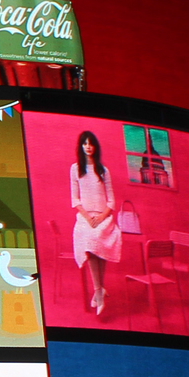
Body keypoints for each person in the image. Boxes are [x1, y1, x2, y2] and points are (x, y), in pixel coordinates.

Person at [69, 129, 121, 316]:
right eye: (85, 143)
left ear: (95, 147)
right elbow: (75, 199)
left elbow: (112, 201)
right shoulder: (75, 169)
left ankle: (99, 289)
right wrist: (88, 217)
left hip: (103, 216)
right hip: (85, 218)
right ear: (81, 146)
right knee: (90, 243)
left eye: (91, 144)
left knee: (102, 242)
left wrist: (101, 217)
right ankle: (99, 290)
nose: (88, 147)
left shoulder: (103, 170)